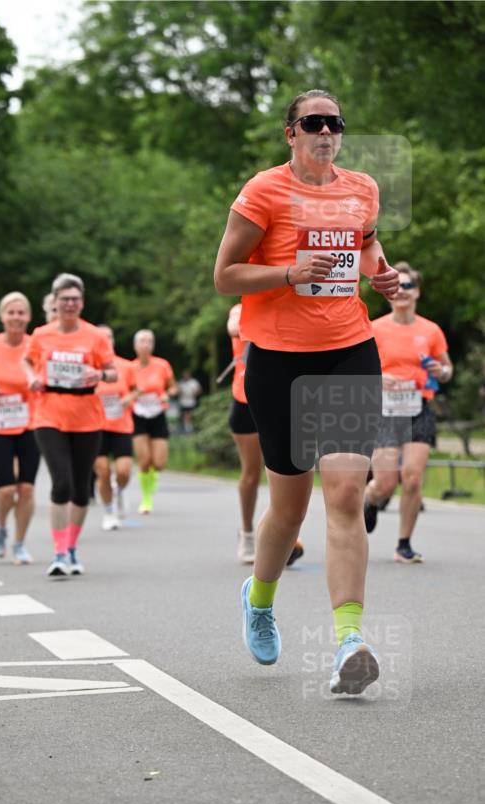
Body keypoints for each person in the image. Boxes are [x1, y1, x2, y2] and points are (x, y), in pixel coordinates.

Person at [214, 88, 399, 696]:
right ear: (291, 133)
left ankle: (350, 640)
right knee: (290, 507)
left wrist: (381, 272)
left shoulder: (361, 188)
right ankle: (260, 599)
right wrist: (288, 273)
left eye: (335, 123)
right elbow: (226, 277)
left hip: (348, 351)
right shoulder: (263, 191)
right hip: (278, 361)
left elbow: (367, 244)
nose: (326, 131)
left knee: (346, 492)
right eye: (313, 123)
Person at [23, 273, 117, 576]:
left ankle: (72, 547)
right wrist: (32, 378)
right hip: (49, 415)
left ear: (82, 302)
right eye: (64, 299)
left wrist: (99, 376)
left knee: (80, 489)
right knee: (60, 482)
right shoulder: (41, 334)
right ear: (55, 302)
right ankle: (60, 553)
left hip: (87, 417)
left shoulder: (95, 336)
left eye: (75, 299)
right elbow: (27, 361)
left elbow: (113, 372)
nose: (70, 304)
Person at [364, 262, 452, 562]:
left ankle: (404, 544)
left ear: (417, 292)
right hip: (385, 411)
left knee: (412, 478)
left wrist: (442, 370)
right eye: (397, 286)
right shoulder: (374, 328)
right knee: (386, 483)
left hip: (418, 408)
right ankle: (370, 498)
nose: (402, 292)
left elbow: (446, 369)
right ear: (389, 293)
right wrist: (377, 378)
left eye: (408, 286)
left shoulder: (431, 330)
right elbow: (358, 371)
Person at [227, 303, 305, 567]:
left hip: (284, 397)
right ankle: (247, 532)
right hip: (246, 399)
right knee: (252, 473)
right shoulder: (243, 308)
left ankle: (285, 537)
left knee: (285, 472)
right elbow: (233, 327)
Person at [0, 292, 40, 565]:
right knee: (6, 491)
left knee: (25, 490)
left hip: (31, 423)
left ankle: (20, 544)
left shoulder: (36, 346)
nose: (16, 317)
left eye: (21, 312)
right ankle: (1, 528)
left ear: (29, 317)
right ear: (2, 316)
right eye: (11, 312)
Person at [94, 324, 138, 530]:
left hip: (121, 425)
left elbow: (137, 389)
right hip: (96, 426)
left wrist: (128, 399)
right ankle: (109, 511)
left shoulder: (126, 366)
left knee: (124, 471)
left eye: (109, 337)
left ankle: (118, 491)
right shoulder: (90, 366)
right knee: (102, 471)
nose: (106, 340)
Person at [131, 329, 177, 514]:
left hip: (158, 414)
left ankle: (153, 477)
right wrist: (134, 395)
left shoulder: (162, 365)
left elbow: (173, 387)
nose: (145, 345)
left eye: (149, 341)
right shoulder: (130, 368)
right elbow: (124, 391)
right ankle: (146, 498)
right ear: (135, 345)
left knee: (159, 463)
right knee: (144, 461)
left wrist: (167, 394)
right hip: (138, 414)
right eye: (142, 341)